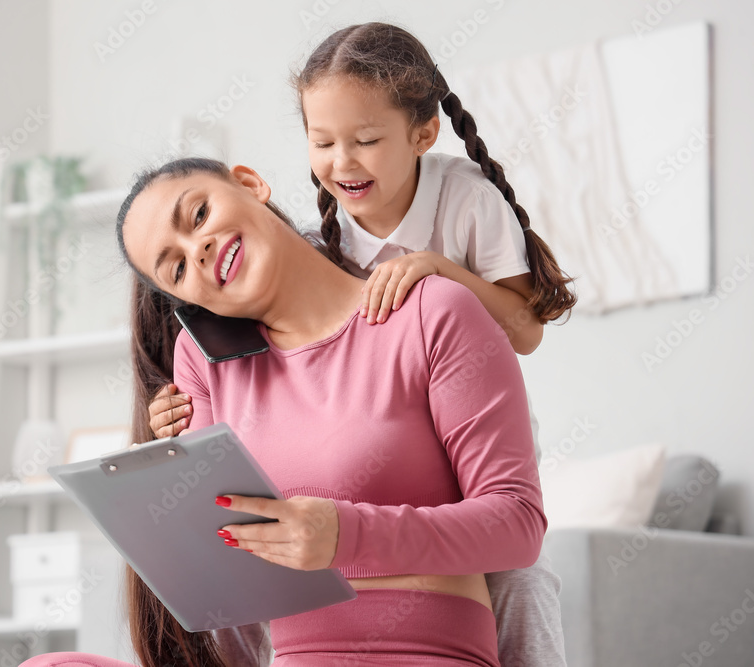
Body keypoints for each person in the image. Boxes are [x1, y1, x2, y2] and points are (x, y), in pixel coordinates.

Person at [147, 23, 575, 667]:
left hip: (474, 432)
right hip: (384, 459)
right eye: (322, 143)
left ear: (423, 134)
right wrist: (173, 414)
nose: (343, 162)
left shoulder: (464, 200)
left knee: (521, 579)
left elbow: (526, 331)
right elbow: (317, 324)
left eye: (366, 141)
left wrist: (439, 269)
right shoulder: (327, 238)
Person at [20, 156, 547, 667]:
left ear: (250, 183)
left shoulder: (432, 312)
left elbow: (518, 525)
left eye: (198, 215)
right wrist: (161, 509)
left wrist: (347, 534)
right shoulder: (203, 363)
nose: (198, 249)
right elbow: (223, 564)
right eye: (177, 267)